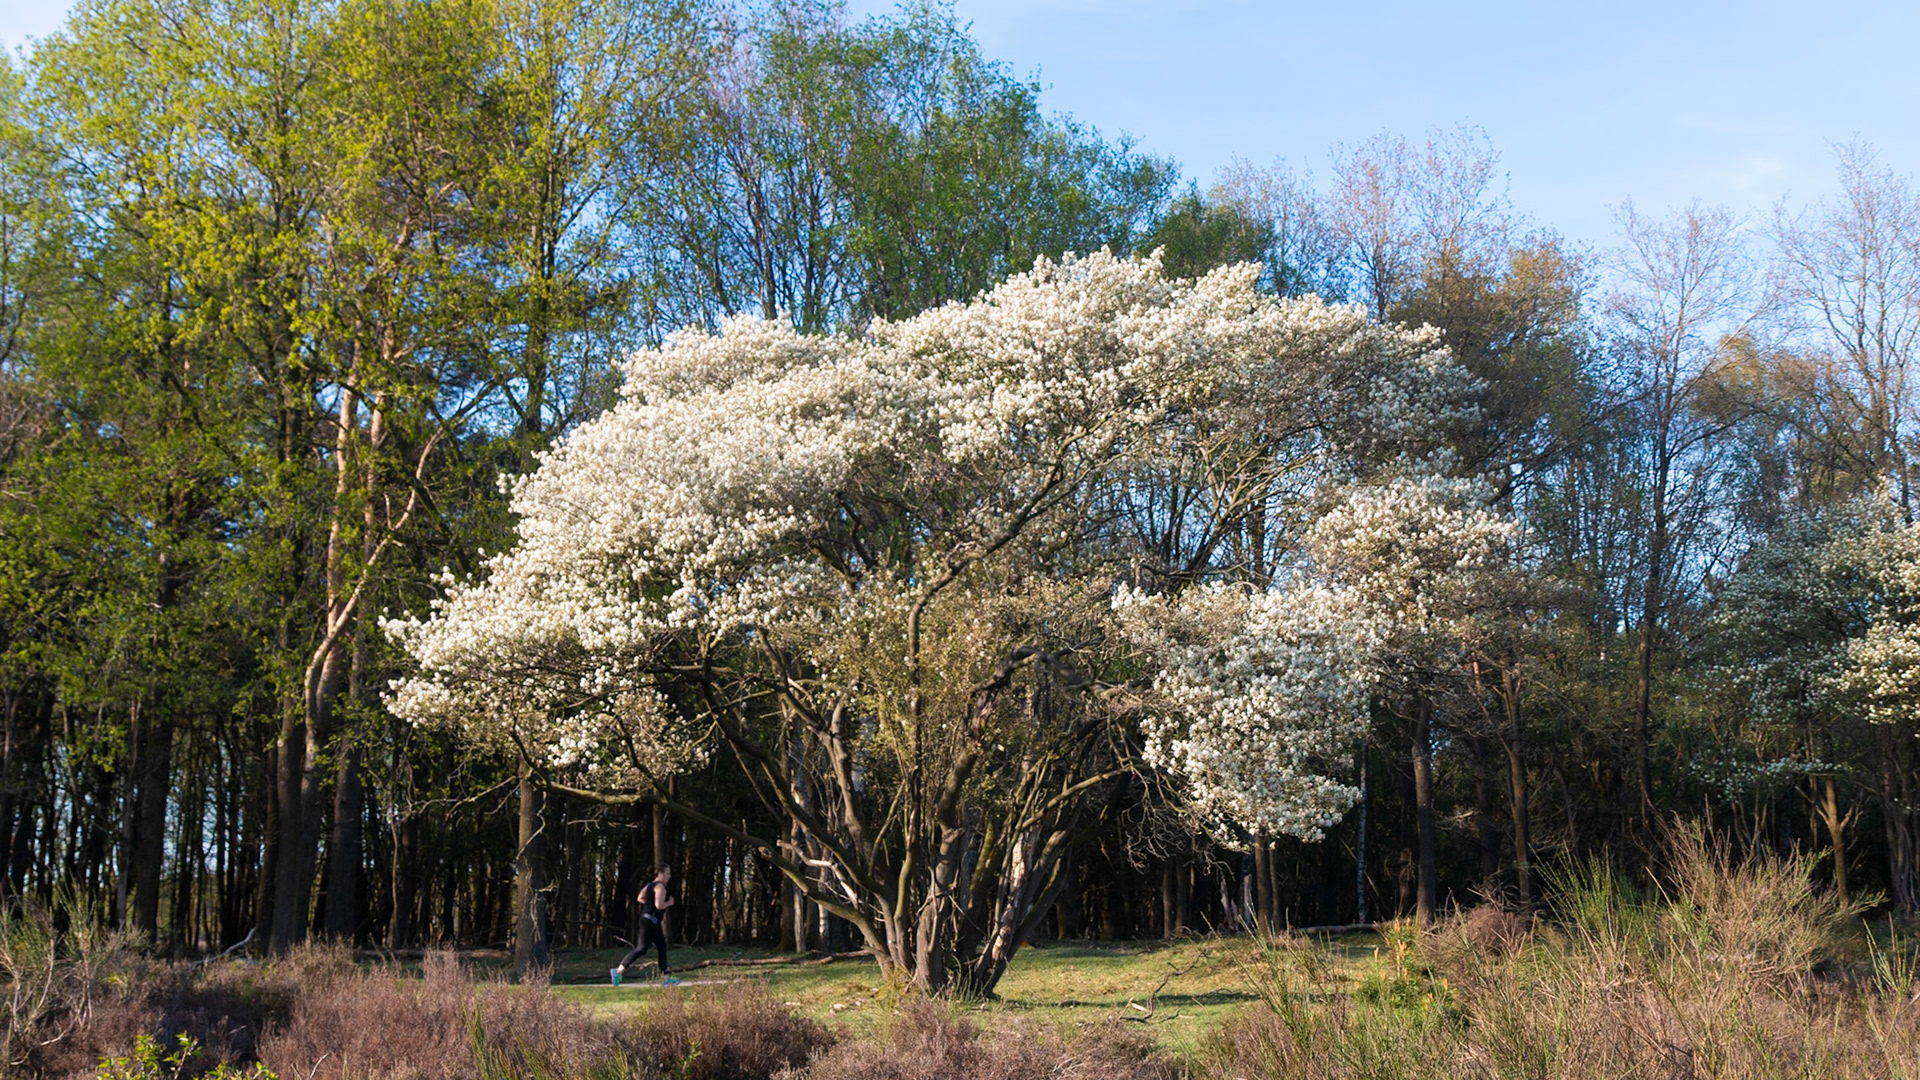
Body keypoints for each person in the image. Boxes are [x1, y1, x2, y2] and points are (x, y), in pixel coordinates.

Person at [612, 864, 678, 986]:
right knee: (641, 949)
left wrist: (650, 904)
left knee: (662, 947)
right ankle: (618, 971)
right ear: (660, 874)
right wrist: (669, 902)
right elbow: (659, 905)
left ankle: (666, 978)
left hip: (650, 921)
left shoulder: (650, 885)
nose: (669, 876)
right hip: (650, 922)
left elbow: (640, 898)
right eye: (667, 873)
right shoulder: (660, 887)